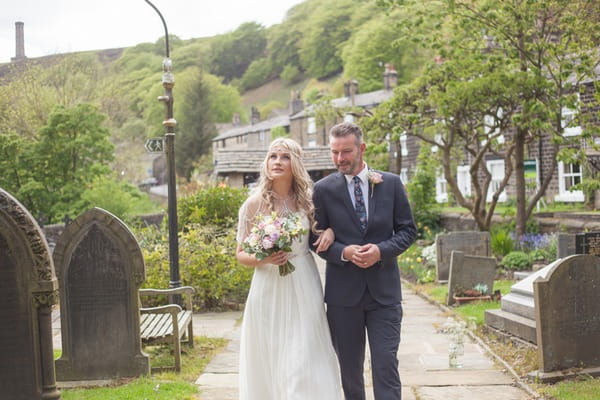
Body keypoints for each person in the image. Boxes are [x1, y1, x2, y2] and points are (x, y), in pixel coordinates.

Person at [312, 122, 417, 400]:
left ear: (362, 148)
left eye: (346, 151)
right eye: (334, 152)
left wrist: (381, 251)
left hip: (384, 295)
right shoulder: (322, 189)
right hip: (343, 298)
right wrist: (343, 252)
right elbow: (316, 239)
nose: (339, 159)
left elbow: (408, 230)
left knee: (385, 365)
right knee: (350, 371)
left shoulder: (391, 183)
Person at [235, 137, 342, 400]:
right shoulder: (253, 204)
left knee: (304, 355)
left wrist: (329, 230)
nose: (277, 162)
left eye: (284, 157)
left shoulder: (308, 200)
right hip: (268, 286)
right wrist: (265, 259)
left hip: (304, 282)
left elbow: (321, 233)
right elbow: (241, 254)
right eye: (273, 156)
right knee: (272, 352)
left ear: (295, 163)